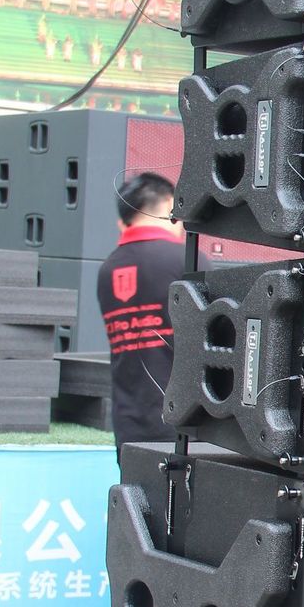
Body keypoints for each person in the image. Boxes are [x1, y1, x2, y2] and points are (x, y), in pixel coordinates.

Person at [97, 171, 186, 457]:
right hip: (184, 427)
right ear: (170, 204)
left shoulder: (108, 269)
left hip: (128, 424)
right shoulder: (185, 260)